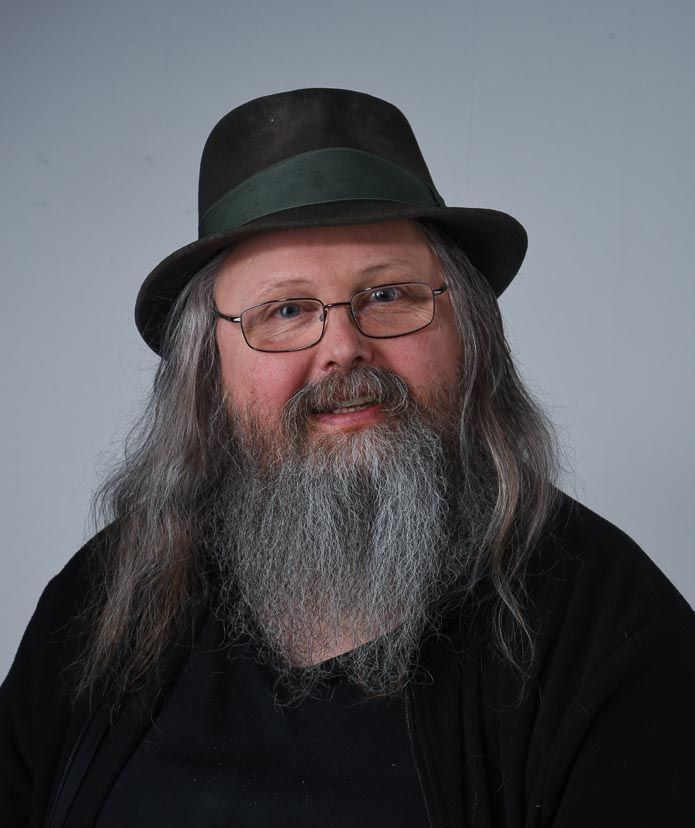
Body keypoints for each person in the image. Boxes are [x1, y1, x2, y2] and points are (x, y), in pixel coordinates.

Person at [2, 88, 694, 828]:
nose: (343, 348)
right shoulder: (105, 601)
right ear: (209, 370)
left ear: (470, 335)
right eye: (285, 310)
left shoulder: (612, 632)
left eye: (388, 294)